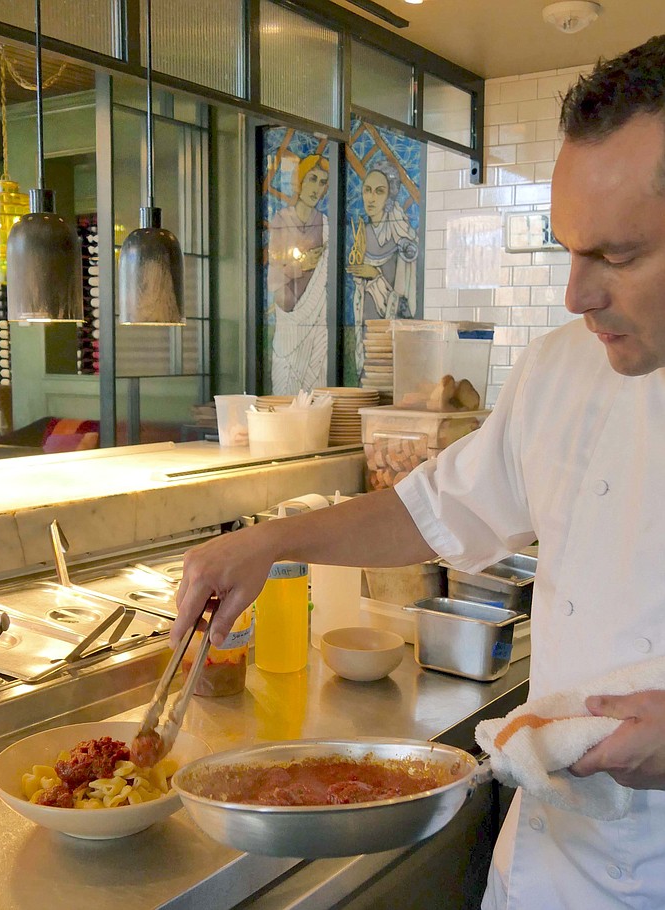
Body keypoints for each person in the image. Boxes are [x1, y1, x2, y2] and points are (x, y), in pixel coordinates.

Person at [173, 35, 665, 909]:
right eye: (570, 251)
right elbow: (430, 512)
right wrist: (270, 541)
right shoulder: (564, 367)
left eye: (619, 258)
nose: (576, 296)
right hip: (548, 871)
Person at [347, 160, 418, 376]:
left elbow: (406, 290)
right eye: (367, 190)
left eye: (379, 191)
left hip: (390, 325)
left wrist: (375, 275)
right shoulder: (361, 232)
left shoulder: (400, 232)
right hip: (365, 319)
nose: (371, 197)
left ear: (389, 196)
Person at [267, 154, 329, 394]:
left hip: (316, 318)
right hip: (288, 316)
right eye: (312, 179)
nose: (316, 188)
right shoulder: (282, 220)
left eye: (322, 182)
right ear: (300, 181)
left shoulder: (325, 224)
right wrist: (301, 265)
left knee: (316, 381)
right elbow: (273, 278)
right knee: (285, 384)